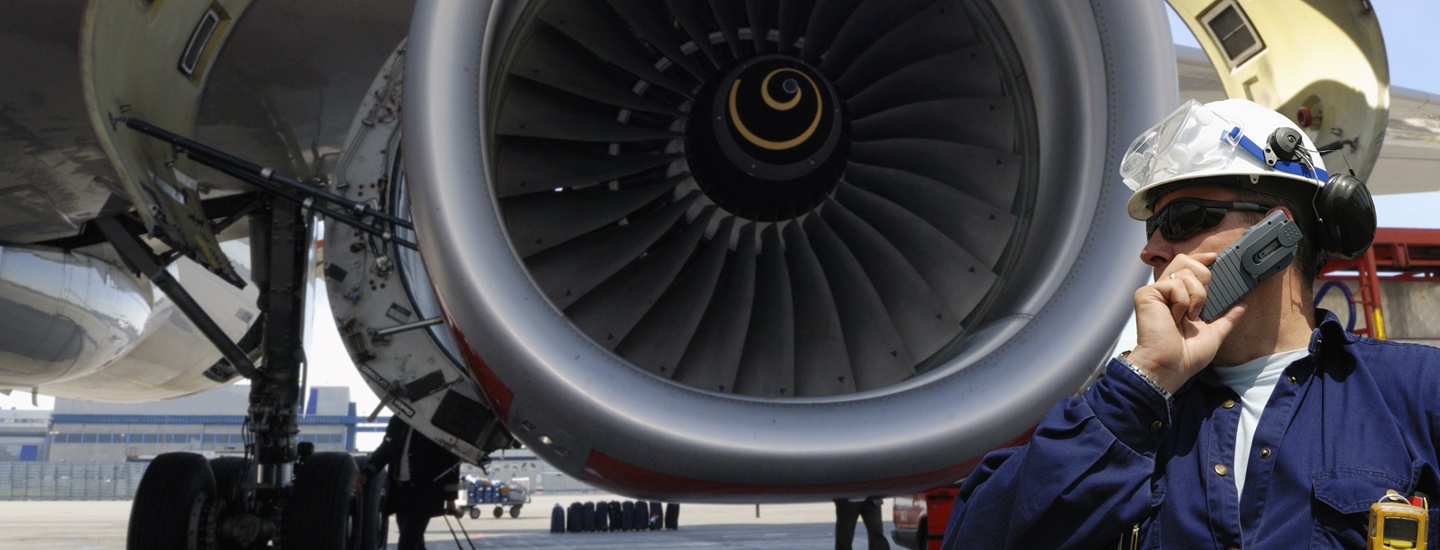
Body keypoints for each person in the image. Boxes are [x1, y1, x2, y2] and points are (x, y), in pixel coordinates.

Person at [940, 98, 1440, 549]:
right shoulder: (1126, 417)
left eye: (1182, 219)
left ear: (1276, 233)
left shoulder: (1417, 394)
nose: (1152, 249)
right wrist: (1143, 385)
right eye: (1151, 227)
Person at [355, 416, 461, 550]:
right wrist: (365, 474)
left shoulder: (436, 423)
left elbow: (452, 461)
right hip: (401, 492)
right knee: (414, 539)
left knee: (407, 542)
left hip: (424, 494)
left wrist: (450, 497)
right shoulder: (397, 421)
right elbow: (385, 451)